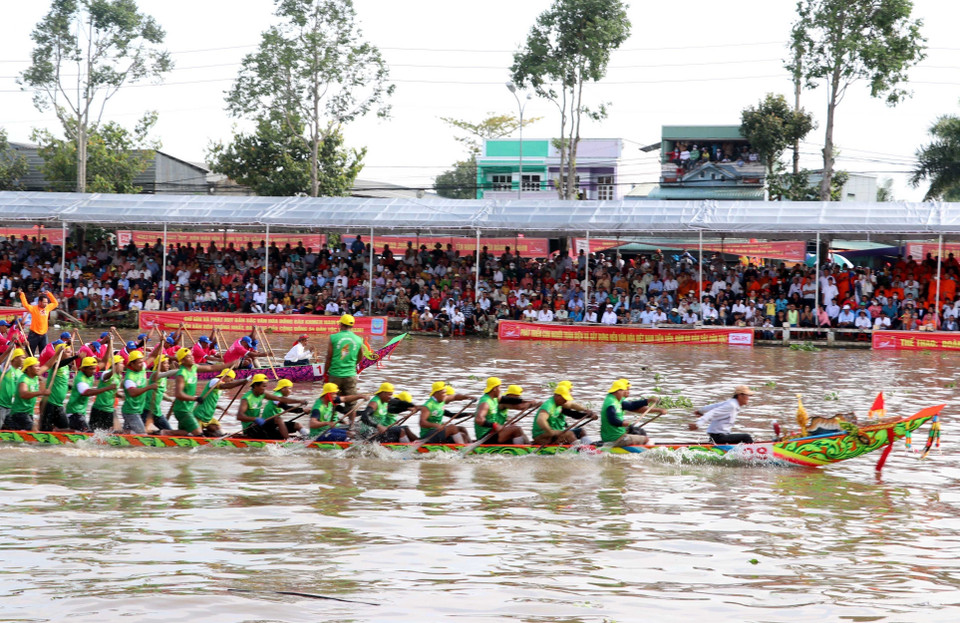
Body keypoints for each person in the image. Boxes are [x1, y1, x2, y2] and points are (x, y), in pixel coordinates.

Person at [168, 347, 225, 436]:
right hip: (182, 410)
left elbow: (211, 367)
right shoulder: (181, 374)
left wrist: (229, 364)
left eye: (191, 355)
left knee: (185, 434)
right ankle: (165, 433)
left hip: (189, 409)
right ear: (182, 361)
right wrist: (195, 398)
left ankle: (166, 435)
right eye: (188, 357)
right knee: (198, 434)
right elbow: (178, 394)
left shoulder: (194, 368)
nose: (192, 358)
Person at [600, 379, 666, 447]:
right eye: (625, 390)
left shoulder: (614, 399)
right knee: (646, 439)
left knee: (640, 432)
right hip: (616, 438)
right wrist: (623, 423)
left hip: (614, 435)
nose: (627, 392)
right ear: (619, 391)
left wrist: (649, 401)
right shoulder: (611, 404)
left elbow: (632, 405)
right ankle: (645, 453)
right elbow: (612, 420)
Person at [236, 374, 304, 440]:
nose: (265, 389)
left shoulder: (262, 394)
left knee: (280, 422)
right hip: (250, 427)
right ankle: (288, 441)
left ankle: (287, 439)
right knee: (278, 421)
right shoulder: (247, 398)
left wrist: (299, 401)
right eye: (263, 386)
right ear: (256, 385)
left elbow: (280, 399)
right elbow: (239, 416)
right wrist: (255, 419)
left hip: (259, 424)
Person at [689, 385, 756, 444]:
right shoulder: (731, 405)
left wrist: (701, 411)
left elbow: (714, 406)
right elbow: (712, 412)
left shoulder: (731, 403)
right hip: (718, 437)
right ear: (740, 396)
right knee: (746, 437)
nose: (748, 398)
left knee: (742, 440)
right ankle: (754, 453)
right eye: (747, 395)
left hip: (719, 436)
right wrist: (698, 424)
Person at [474, 378, 532, 445]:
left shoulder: (495, 399)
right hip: (485, 437)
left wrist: (526, 401)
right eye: (499, 387)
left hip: (493, 433)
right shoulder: (486, 402)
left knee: (517, 429)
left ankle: (528, 445)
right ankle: (523, 450)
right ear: (495, 388)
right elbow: (479, 420)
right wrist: (495, 425)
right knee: (516, 429)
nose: (500, 390)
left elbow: (507, 399)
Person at [193, 369, 247, 436]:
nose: (231, 381)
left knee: (218, 431)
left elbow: (211, 401)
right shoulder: (214, 381)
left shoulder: (220, 389)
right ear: (226, 376)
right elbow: (225, 386)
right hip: (200, 415)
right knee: (196, 435)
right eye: (231, 379)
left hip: (208, 417)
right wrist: (241, 382)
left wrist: (221, 408)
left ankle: (207, 434)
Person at [3, 357, 50, 430]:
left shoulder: (34, 376)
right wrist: (41, 392)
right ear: (28, 368)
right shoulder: (24, 380)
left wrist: (57, 353)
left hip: (28, 412)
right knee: (34, 428)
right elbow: (23, 394)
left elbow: (47, 365)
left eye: (38, 366)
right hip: (20, 413)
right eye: (36, 366)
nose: (38, 368)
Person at [40, 343, 78, 432]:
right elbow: (60, 363)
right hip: (49, 404)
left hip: (59, 405)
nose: (70, 354)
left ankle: (56, 432)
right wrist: (76, 357)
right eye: (68, 352)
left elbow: (63, 383)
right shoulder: (56, 365)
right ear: (61, 353)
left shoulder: (66, 367)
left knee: (65, 428)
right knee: (45, 430)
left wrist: (74, 388)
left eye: (70, 352)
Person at [120, 351, 160, 434]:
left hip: (138, 410)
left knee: (126, 434)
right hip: (131, 411)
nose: (142, 364)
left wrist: (161, 342)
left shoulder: (142, 367)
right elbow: (133, 393)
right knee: (142, 434)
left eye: (142, 362)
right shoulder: (129, 378)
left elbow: (153, 356)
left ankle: (113, 441)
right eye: (139, 363)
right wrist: (149, 387)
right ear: (132, 364)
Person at [324, 314, 363, 396]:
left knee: (332, 401)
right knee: (351, 402)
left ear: (341, 324)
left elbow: (329, 358)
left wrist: (325, 373)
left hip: (335, 374)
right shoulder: (359, 339)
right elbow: (360, 357)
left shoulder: (333, 337)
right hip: (351, 375)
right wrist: (352, 364)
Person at [89, 355, 124, 431]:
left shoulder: (119, 377)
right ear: (115, 365)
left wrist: (123, 397)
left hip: (109, 410)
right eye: (121, 363)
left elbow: (113, 392)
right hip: (99, 408)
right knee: (93, 431)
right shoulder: (106, 373)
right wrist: (112, 371)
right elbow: (105, 377)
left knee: (107, 432)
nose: (123, 366)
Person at [0, 348, 26, 428]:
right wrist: (8, 350)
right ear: (15, 358)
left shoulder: (20, 373)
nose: (24, 360)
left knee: (12, 429)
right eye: (22, 358)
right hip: (1, 405)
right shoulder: (7, 368)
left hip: (12, 407)